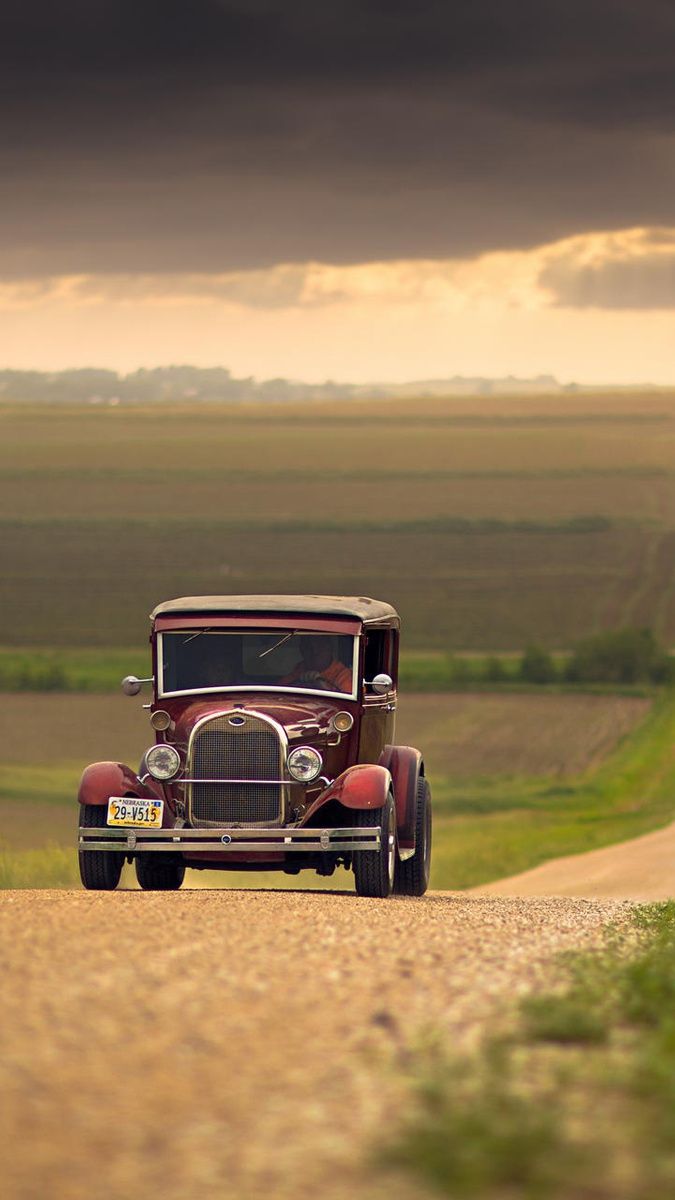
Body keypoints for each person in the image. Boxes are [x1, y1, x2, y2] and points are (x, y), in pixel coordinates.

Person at [281, 636, 352, 693]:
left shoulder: (343, 675)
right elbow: (280, 692)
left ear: (330, 648)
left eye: (320, 646)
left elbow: (346, 706)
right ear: (302, 650)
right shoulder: (300, 670)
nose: (315, 652)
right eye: (308, 647)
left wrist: (322, 686)